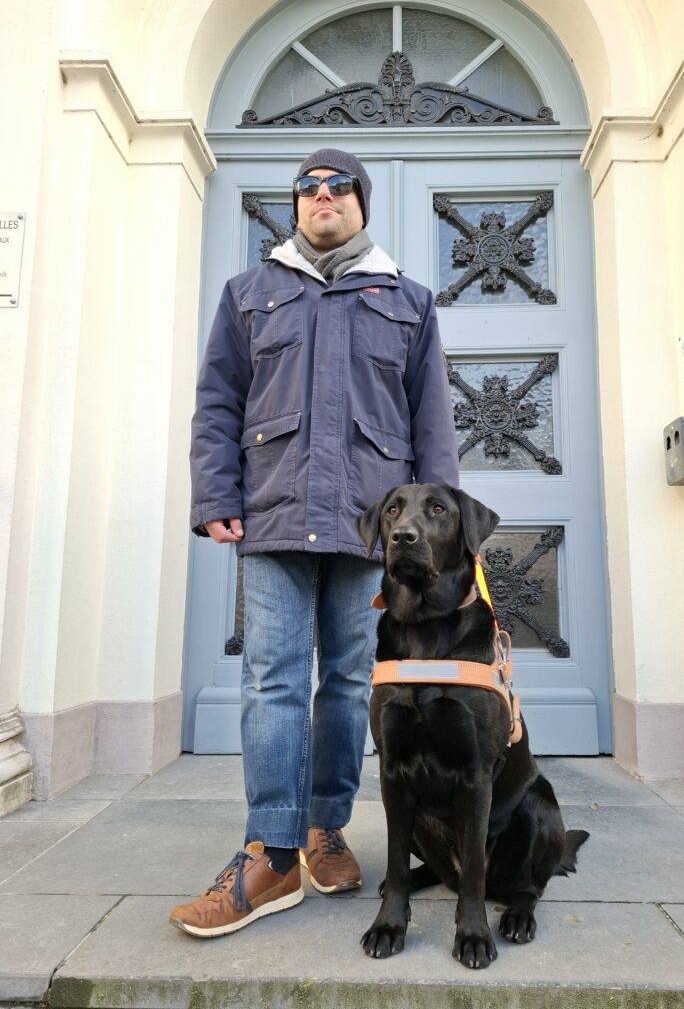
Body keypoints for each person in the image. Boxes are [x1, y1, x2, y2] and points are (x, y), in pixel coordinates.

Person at [170, 148, 460, 937]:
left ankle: (328, 828)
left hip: (375, 526)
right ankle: (273, 851)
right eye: (308, 187)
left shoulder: (410, 300)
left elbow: (432, 424)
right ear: (295, 207)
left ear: (361, 205)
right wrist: (214, 496)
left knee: (343, 681)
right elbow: (218, 404)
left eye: (338, 187)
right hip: (270, 511)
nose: (322, 195)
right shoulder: (249, 293)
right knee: (271, 679)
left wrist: (441, 537)